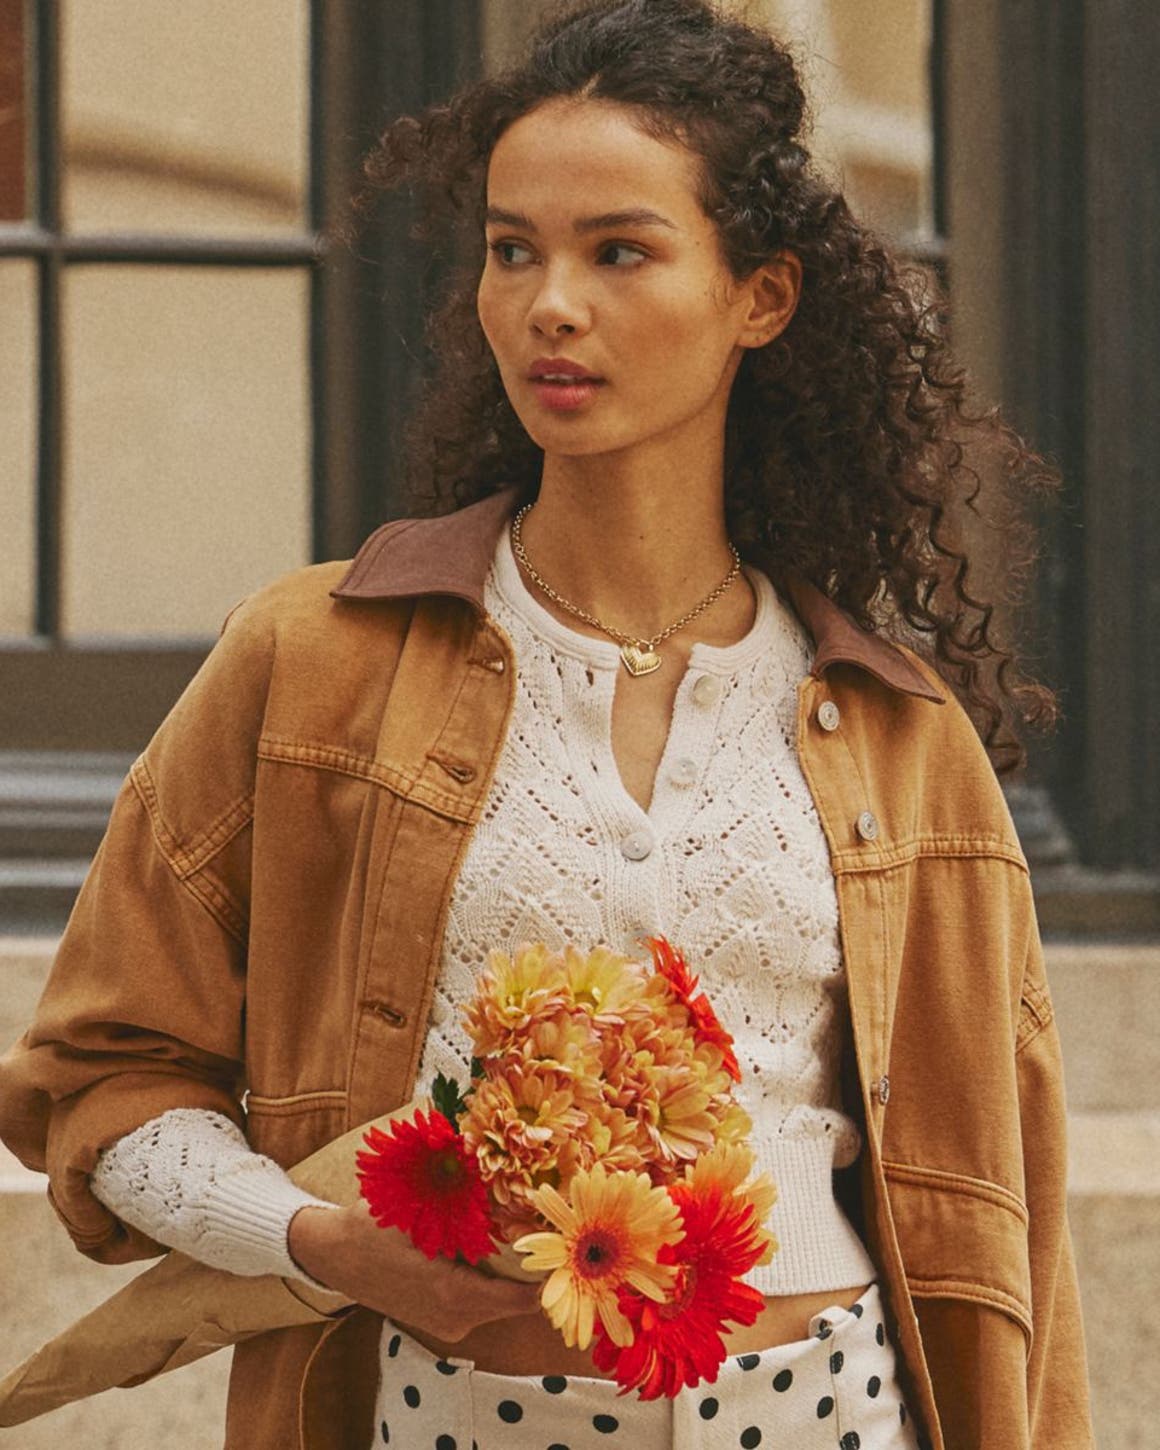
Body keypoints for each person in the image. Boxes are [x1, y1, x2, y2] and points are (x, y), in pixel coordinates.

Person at [0, 1, 1095, 1447]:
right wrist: (321, 1241)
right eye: (512, 250)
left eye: (618, 251)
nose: (549, 305)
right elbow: (100, 1079)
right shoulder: (313, 663)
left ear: (760, 298)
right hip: (449, 1415)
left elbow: (1016, 1223)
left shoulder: (901, 737)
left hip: (832, 1413)